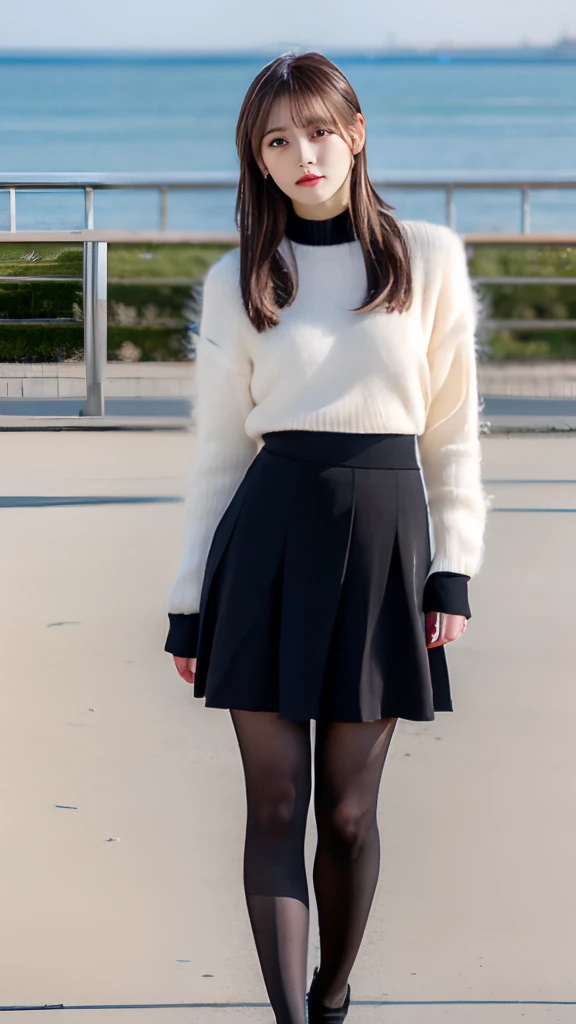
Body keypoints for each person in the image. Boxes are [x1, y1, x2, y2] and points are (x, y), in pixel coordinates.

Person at [164, 51, 489, 1024]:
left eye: (316, 131)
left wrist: (453, 567)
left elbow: (455, 432)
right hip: (262, 542)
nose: (301, 154)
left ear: (354, 133)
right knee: (274, 804)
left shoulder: (428, 257)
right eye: (276, 140)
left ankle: (333, 992)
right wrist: (189, 605)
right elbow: (218, 455)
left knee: (346, 815)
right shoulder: (241, 278)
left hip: (386, 541)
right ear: (255, 160)